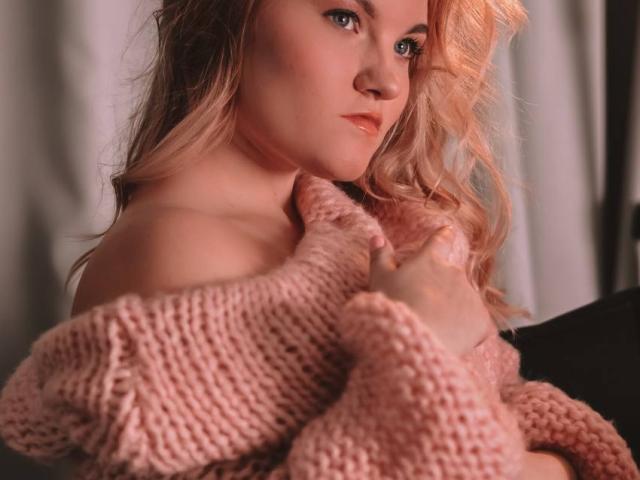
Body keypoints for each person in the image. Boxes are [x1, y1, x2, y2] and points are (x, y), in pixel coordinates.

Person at [0, 0, 637, 478]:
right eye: (344, 18)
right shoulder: (177, 249)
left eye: (407, 47)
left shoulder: (347, 221)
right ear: (230, 15)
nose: (387, 82)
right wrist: (425, 346)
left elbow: (521, 417)